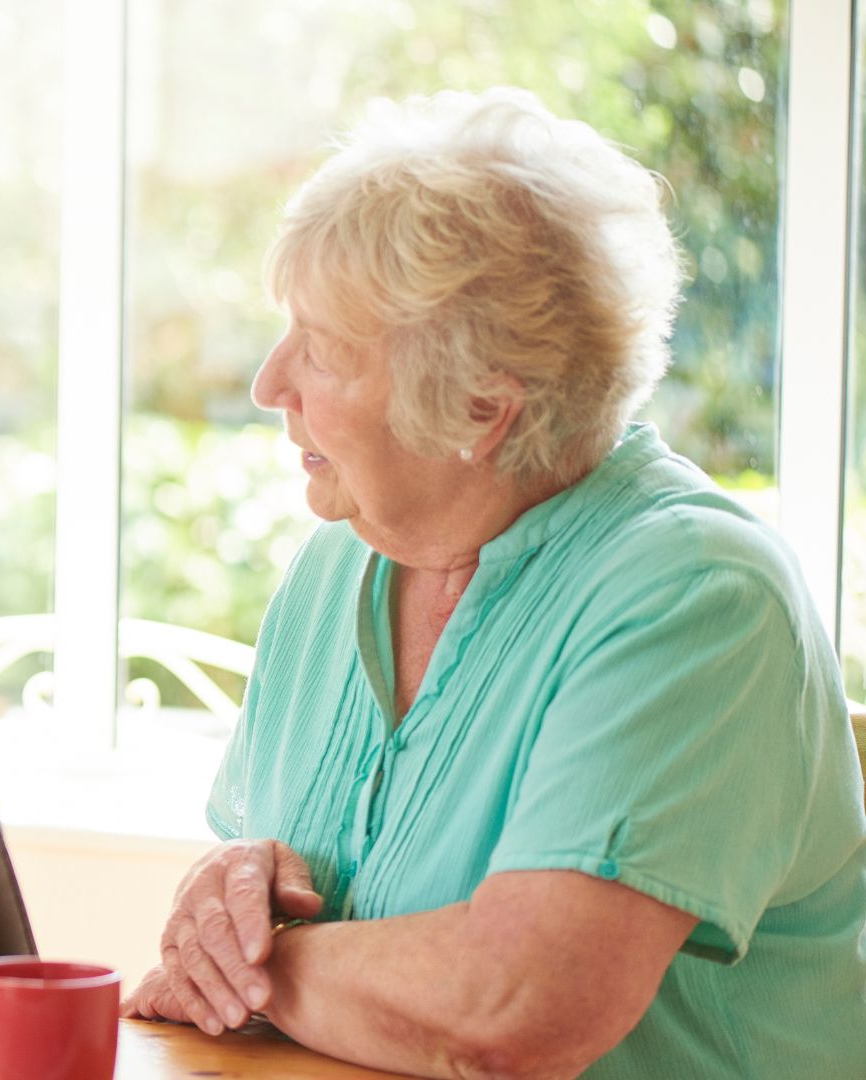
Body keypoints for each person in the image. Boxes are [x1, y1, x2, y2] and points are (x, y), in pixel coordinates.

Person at [122, 88, 866, 1078]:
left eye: (326, 348)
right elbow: (316, 901)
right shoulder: (344, 556)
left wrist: (272, 972)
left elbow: (514, 1011)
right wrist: (233, 900)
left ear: (482, 409)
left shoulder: (696, 597)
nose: (269, 384)